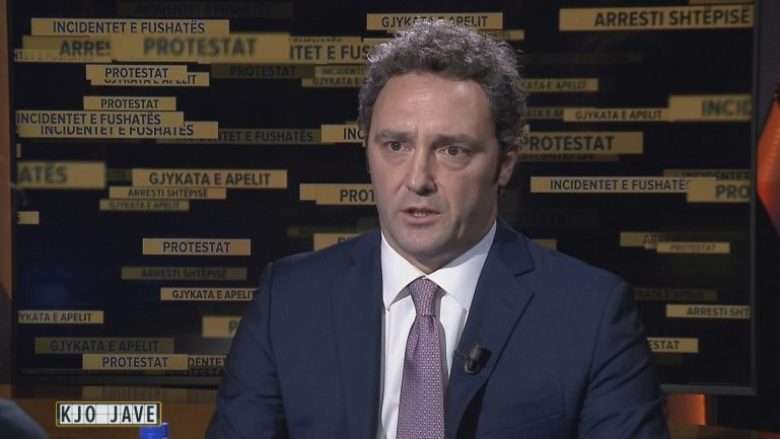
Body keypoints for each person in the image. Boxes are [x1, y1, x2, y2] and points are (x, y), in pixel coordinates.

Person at [207, 20, 668, 439]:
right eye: (396, 145)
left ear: (506, 163)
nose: (418, 179)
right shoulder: (289, 301)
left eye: (452, 151)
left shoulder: (590, 315)